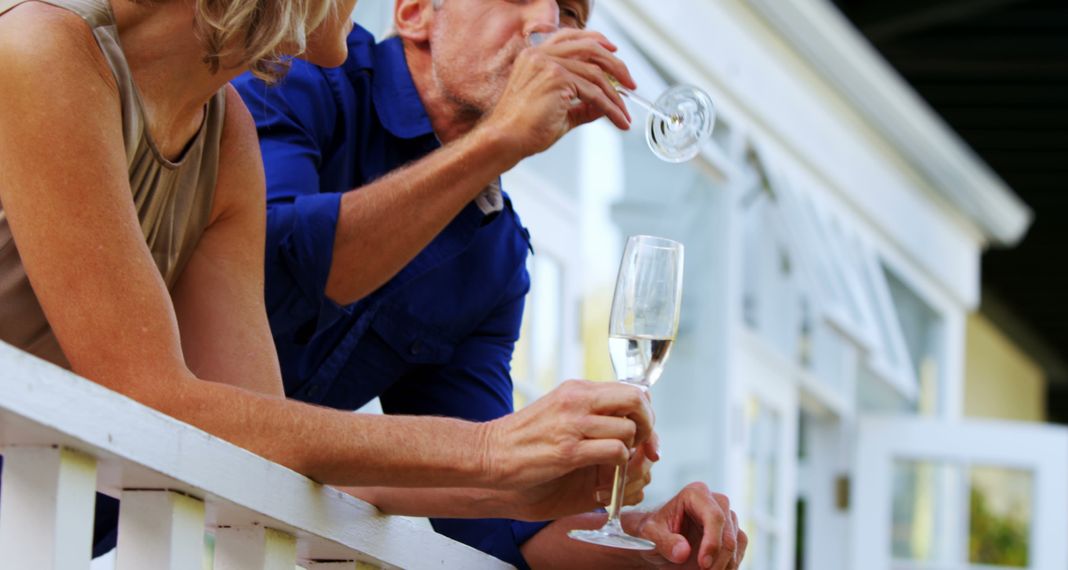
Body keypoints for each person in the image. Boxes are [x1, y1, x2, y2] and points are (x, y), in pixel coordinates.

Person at [0, 0, 659, 558]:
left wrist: (532, 482)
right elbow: (156, 395)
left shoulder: (224, 131)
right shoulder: (44, 47)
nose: (548, 20)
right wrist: (486, 454)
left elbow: (269, 441)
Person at [233, 0, 748, 567]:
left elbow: (489, 519)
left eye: (572, 13)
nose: (547, 24)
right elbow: (271, 272)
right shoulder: (297, 69)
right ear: (414, 13)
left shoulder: (494, 255)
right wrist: (500, 139)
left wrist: (645, 536)